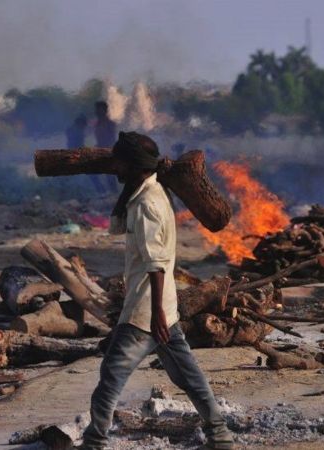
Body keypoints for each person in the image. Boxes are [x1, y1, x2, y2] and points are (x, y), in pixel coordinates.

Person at [79, 132, 235, 450]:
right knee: (188, 375)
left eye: (119, 162)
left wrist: (156, 316)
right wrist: (163, 312)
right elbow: (122, 230)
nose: (114, 167)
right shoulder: (150, 192)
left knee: (111, 375)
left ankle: (94, 442)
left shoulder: (147, 203)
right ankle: (220, 436)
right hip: (163, 307)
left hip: (146, 310)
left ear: (134, 165)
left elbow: (157, 264)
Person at [93, 101, 119, 193]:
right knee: (93, 173)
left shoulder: (110, 124)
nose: (97, 112)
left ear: (105, 110)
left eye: (99, 109)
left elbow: (111, 139)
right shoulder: (97, 124)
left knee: (110, 175)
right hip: (100, 151)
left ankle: (112, 193)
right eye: (97, 109)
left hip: (108, 151)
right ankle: (103, 192)